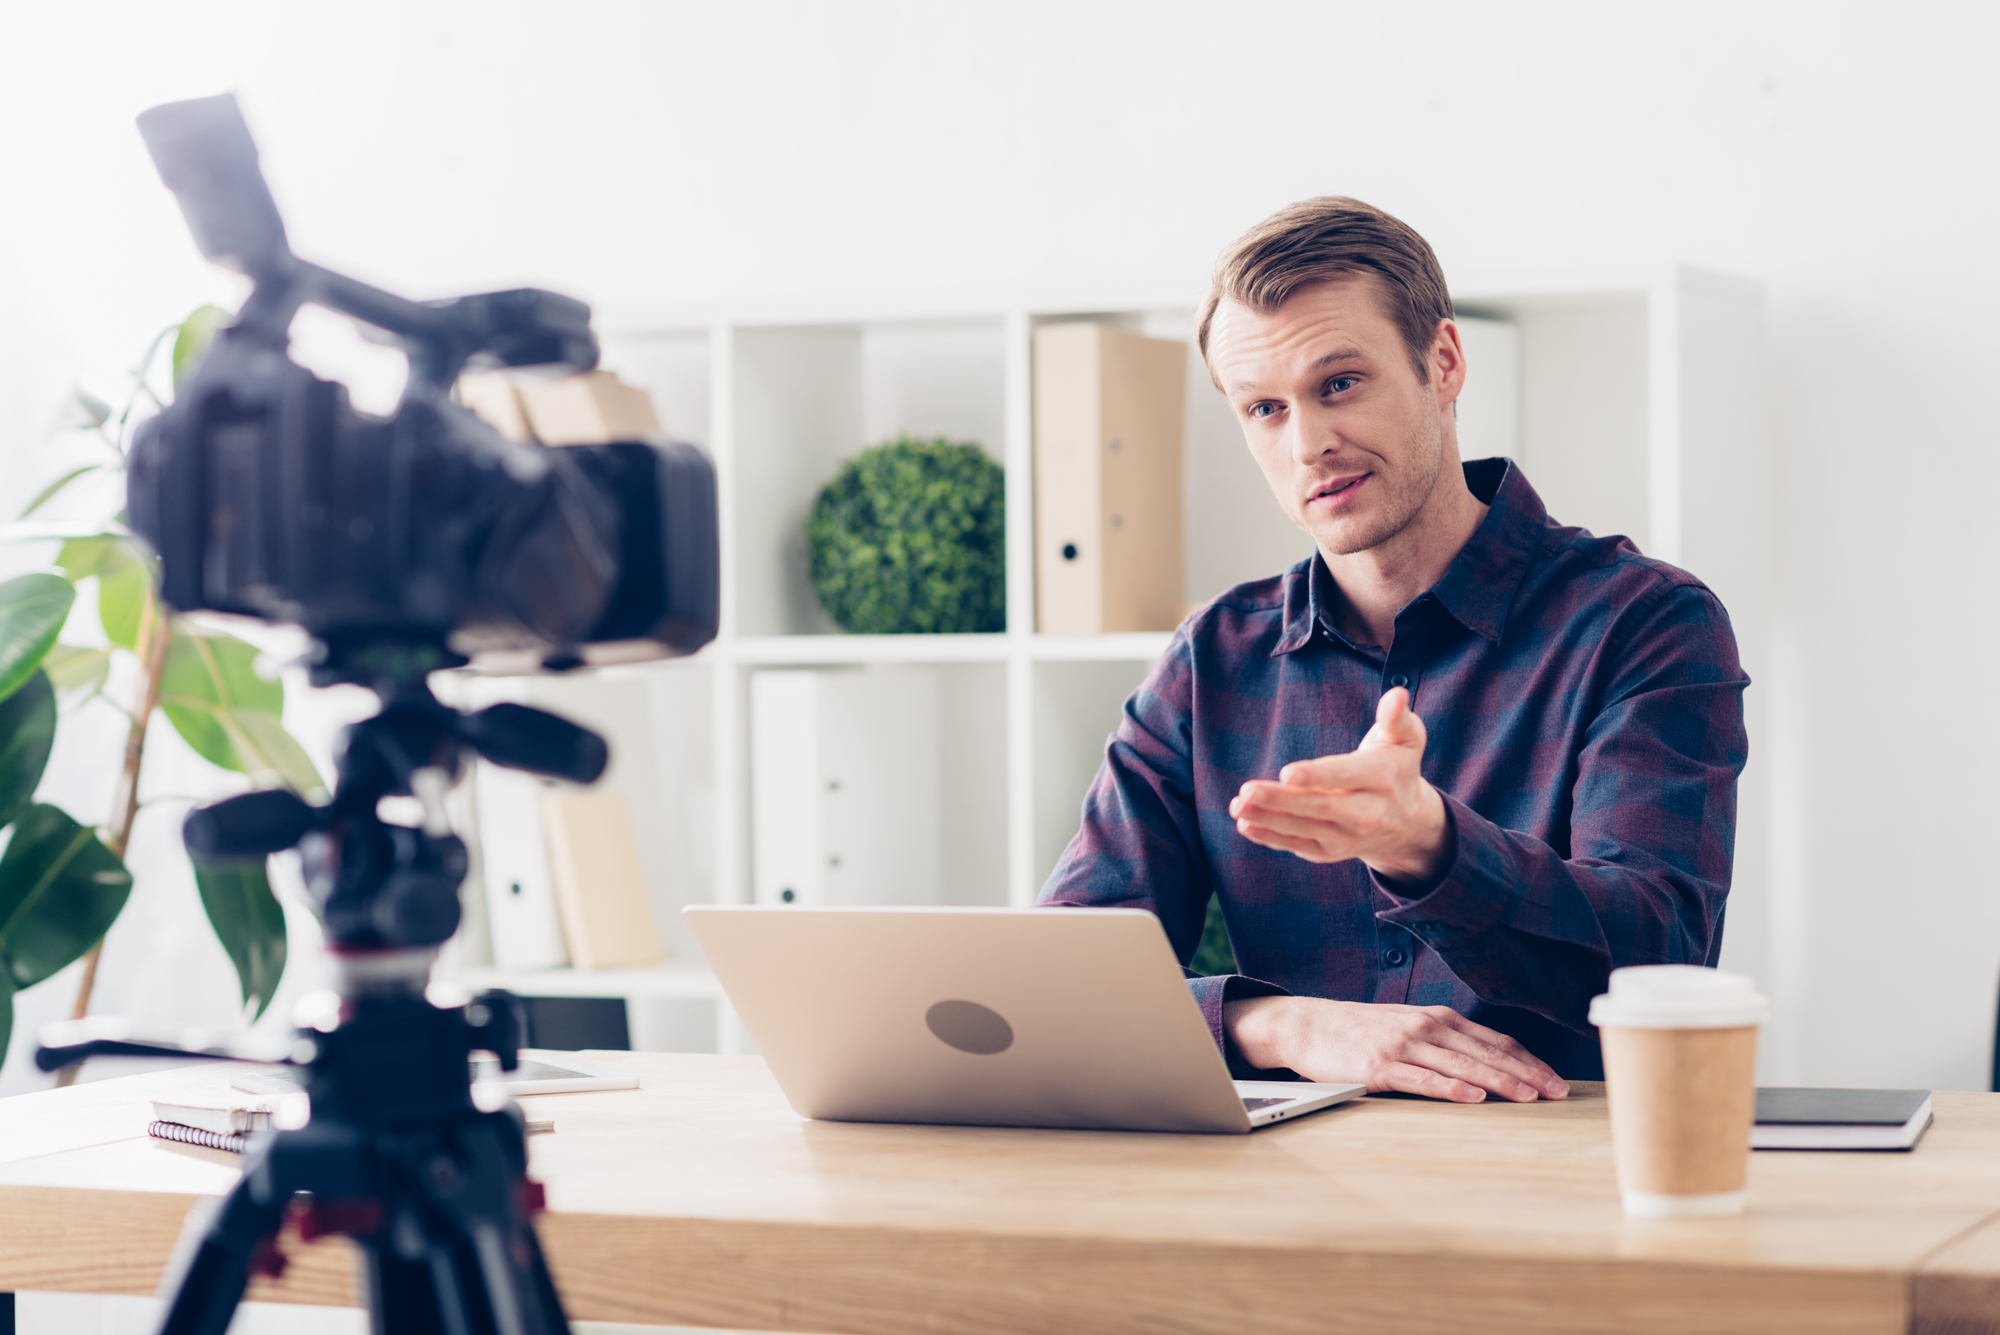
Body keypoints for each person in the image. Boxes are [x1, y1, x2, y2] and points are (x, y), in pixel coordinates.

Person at [1038, 197, 1749, 1103]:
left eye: (1339, 384)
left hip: (1564, 1181)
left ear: (1443, 363)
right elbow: (1065, 982)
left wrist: (1429, 844)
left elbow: (1660, 959)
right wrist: (1279, 1022)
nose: (1309, 444)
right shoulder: (1211, 658)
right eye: (1264, 407)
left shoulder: (1643, 621)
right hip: (1294, 1194)